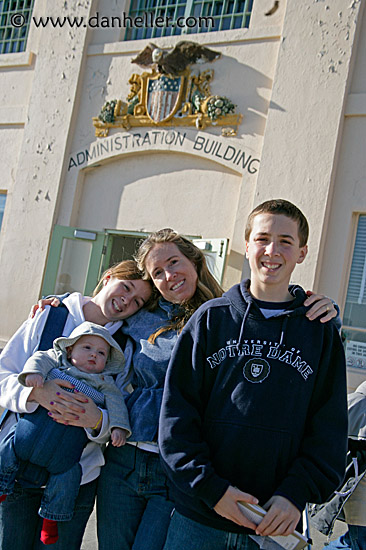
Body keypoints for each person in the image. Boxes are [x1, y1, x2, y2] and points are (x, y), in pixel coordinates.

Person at [34, 228, 339, 550]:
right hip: (125, 458)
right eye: (158, 273)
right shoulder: (141, 317)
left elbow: (272, 312)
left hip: (177, 469)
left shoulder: (227, 316)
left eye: (174, 262)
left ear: (195, 261)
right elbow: (101, 316)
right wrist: (63, 304)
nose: (169, 276)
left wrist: (321, 307)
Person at [158, 200, 348, 550]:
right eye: (262, 238)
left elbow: (329, 430)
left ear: (302, 253)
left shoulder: (319, 331)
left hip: (275, 525)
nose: (272, 251)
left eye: (286, 241)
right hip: (199, 519)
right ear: (247, 246)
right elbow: (177, 417)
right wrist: (212, 490)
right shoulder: (210, 320)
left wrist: (295, 494)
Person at [0, 260, 152, 550]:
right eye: (126, 287)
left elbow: (119, 409)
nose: (126, 301)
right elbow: (3, 373)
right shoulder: (50, 315)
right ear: (108, 277)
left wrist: (97, 420)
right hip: (17, 471)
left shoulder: (126, 346)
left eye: (137, 301)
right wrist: (35, 394)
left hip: (77, 478)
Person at [0, 321, 130, 545]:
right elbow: (38, 359)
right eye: (87, 348)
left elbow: (117, 404)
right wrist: (33, 376)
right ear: (69, 349)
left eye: (101, 353)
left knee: (68, 480)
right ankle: (2, 486)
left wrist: (117, 427)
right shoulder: (56, 361)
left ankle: (52, 518)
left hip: (67, 457)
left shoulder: (104, 382)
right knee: (7, 449)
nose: (93, 355)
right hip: (26, 439)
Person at [310, 381, 366, 550]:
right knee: (355, 543)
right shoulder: (356, 404)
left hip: (356, 498)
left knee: (354, 542)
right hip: (360, 499)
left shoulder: (348, 403)